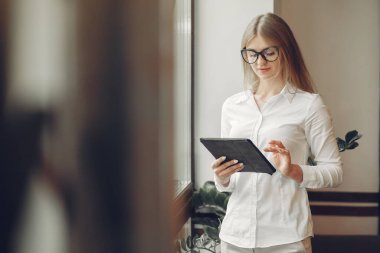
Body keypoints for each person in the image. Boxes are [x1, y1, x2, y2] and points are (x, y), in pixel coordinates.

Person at [211, 13, 342, 253]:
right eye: (252, 53)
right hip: (235, 237)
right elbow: (229, 185)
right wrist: (223, 177)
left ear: (286, 50)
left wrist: (293, 170)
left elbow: (334, 171)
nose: (260, 61)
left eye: (268, 52)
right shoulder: (232, 106)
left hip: (286, 240)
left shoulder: (309, 105)